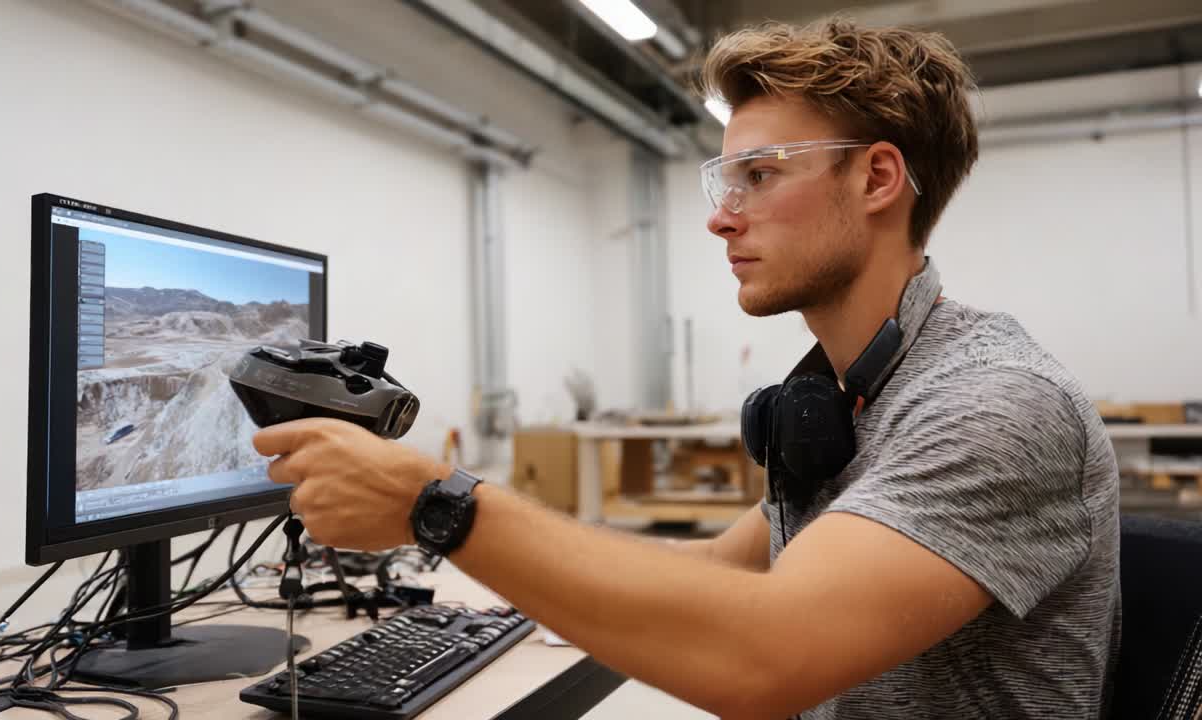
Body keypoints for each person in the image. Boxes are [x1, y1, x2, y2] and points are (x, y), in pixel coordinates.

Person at [253, 17, 1120, 719]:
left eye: (760, 175)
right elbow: (716, 574)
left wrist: (441, 506)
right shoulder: (843, 396)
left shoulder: (996, 404)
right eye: (724, 180)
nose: (722, 219)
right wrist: (498, 558)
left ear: (878, 178)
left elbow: (764, 656)